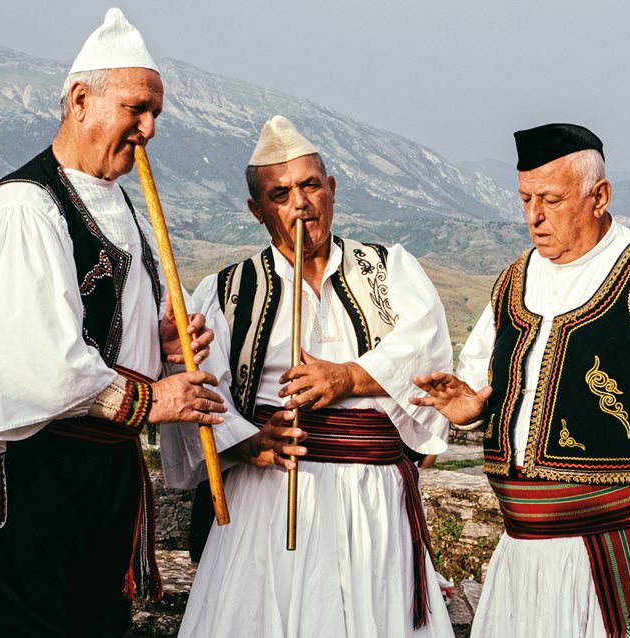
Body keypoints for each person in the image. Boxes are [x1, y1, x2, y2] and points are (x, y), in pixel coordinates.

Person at [0, 9, 225, 637]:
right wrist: (157, 394)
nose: (147, 129)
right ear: (81, 99)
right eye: (137, 109)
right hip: (33, 478)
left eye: (156, 115)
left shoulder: (118, 201)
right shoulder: (24, 209)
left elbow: (103, 327)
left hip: (98, 475)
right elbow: (38, 365)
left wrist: (158, 343)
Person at [411, 123, 630, 638]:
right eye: (525, 198)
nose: (534, 216)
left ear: (599, 196)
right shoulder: (512, 281)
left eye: (551, 200)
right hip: (526, 564)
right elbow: (494, 388)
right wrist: (472, 408)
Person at [162, 115, 455, 637]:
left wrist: (347, 377)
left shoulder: (390, 270)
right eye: (281, 194)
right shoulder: (229, 292)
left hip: (374, 497)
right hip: (273, 498)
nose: (300, 203)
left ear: (332, 190)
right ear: (257, 209)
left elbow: (426, 348)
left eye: (310, 185)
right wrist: (248, 442)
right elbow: (201, 390)